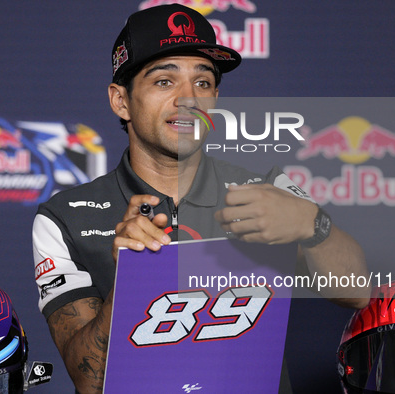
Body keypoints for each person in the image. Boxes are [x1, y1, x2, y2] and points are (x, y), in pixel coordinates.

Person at [32, 4, 370, 393]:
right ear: (121, 101)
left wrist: (314, 226)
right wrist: (130, 283)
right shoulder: (64, 219)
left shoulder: (266, 187)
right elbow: (89, 380)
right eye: (164, 81)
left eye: (203, 82)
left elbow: (356, 291)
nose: (188, 99)